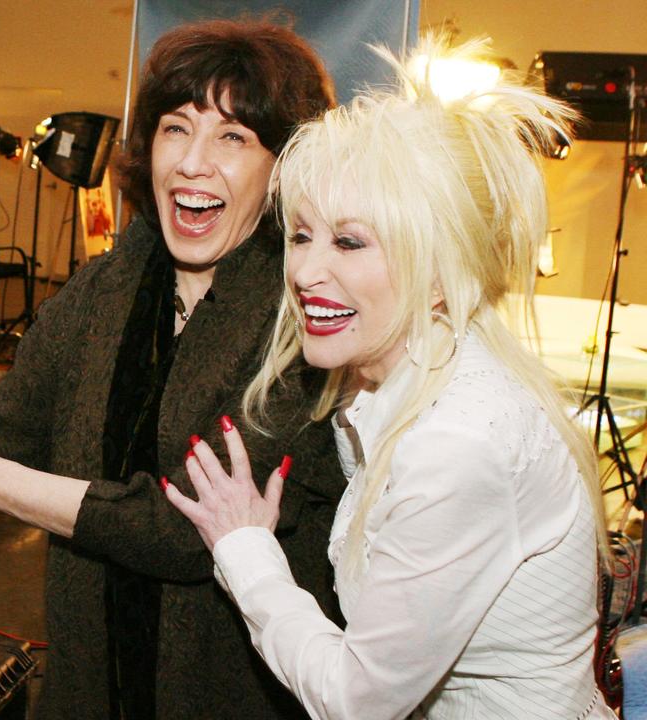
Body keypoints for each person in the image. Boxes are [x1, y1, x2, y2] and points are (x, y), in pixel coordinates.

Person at [0, 20, 341, 720]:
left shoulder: (306, 322)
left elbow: (181, 529)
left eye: (232, 137)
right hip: (88, 693)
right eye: (176, 128)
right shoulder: (100, 291)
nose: (192, 163)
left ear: (281, 167)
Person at [163, 39, 615, 720]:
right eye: (303, 235)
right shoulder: (380, 386)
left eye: (349, 242)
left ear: (438, 268)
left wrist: (245, 549)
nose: (307, 271)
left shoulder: (458, 441)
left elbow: (357, 699)